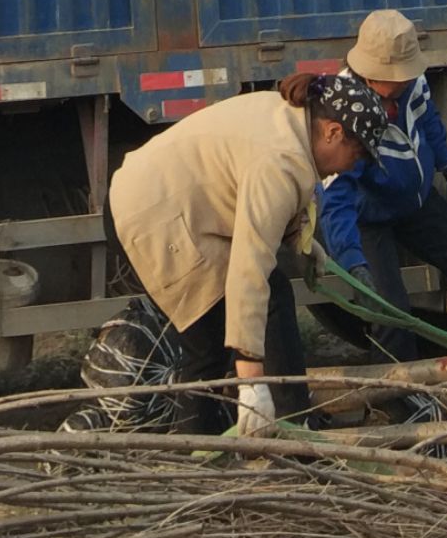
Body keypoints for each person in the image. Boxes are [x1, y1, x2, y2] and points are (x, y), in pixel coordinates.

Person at [106, 69, 389, 437]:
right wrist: (251, 381)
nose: (356, 165)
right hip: (152, 214)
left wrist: (303, 241)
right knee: (207, 348)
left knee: (265, 304)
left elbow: (257, 197)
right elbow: (248, 270)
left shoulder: (292, 119)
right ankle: (202, 457)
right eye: (358, 154)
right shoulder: (279, 160)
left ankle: (289, 422)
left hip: (177, 204)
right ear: (333, 132)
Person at [313, 10, 447, 345]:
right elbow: (334, 196)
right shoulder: (342, 109)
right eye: (396, 76)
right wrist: (353, 263)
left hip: (416, 200)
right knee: (391, 313)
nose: (405, 80)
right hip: (367, 215)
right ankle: (400, 395)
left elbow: (428, 120)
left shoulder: (412, 81)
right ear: (371, 74)